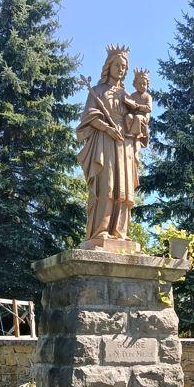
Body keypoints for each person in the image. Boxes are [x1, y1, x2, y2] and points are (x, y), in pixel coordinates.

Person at [76, 45, 140, 245]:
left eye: (124, 66)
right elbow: (89, 116)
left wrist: (135, 121)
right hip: (105, 140)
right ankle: (101, 231)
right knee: (107, 185)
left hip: (125, 143)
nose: (121, 69)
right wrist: (107, 128)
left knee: (124, 188)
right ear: (108, 66)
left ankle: (120, 232)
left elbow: (138, 118)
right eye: (117, 65)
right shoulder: (97, 91)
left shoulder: (127, 95)